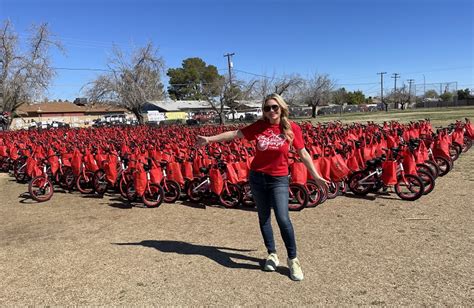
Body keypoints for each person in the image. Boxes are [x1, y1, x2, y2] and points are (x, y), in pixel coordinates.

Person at [196, 93, 327, 281]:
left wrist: (316, 175)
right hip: (257, 178)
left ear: (281, 108)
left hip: (279, 179)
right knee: (264, 218)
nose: (271, 111)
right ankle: (272, 254)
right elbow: (235, 134)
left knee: (283, 218)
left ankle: (293, 260)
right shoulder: (259, 126)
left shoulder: (292, 129)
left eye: (275, 107)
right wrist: (209, 139)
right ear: (263, 111)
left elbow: (303, 153)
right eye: (267, 108)